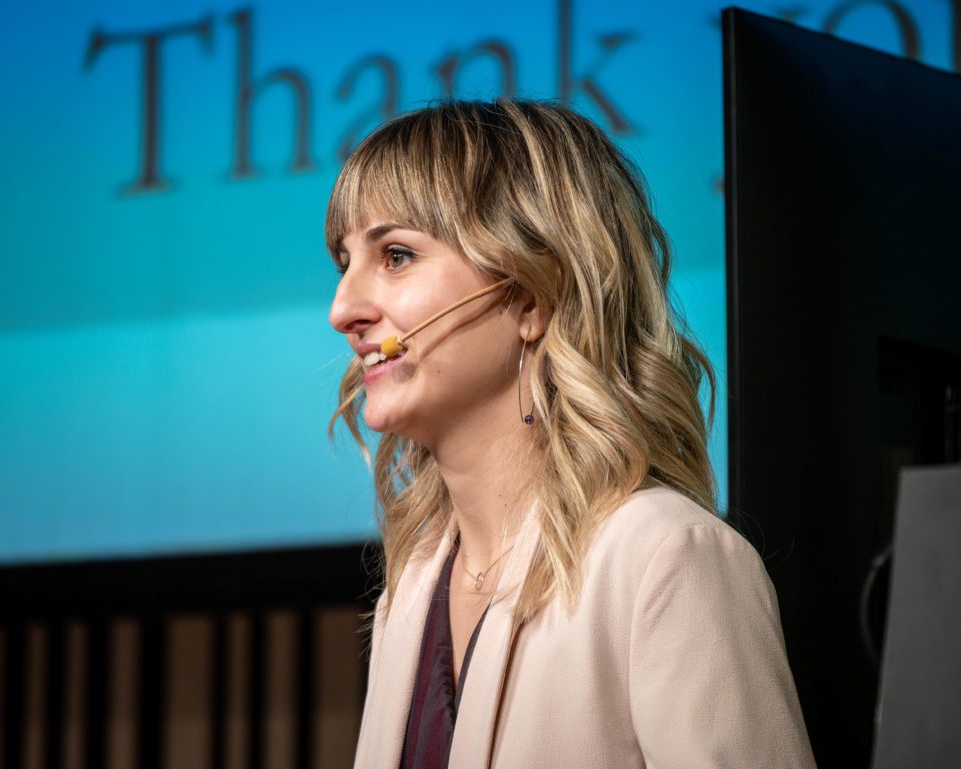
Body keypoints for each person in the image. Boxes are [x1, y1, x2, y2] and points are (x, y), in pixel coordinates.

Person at [326, 99, 815, 769]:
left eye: (397, 255)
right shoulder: (410, 592)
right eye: (344, 262)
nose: (342, 310)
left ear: (532, 296)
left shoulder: (666, 559)